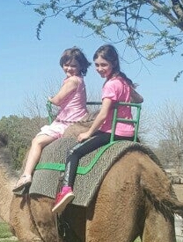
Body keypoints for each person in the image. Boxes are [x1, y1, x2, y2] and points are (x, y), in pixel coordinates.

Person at [52, 44, 143, 214]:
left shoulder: (110, 85)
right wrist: (129, 91)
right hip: (130, 133)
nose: (100, 69)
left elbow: (102, 115)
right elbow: (139, 100)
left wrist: (88, 133)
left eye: (104, 65)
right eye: (97, 65)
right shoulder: (123, 81)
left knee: (73, 152)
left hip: (113, 132)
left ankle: (65, 190)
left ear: (113, 63)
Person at [13, 47, 91, 192]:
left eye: (73, 65)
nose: (69, 68)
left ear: (81, 66)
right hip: (79, 118)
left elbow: (58, 100)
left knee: (37, 141)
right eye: (66, 64)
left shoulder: (72, 81)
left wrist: (51, 99)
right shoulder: (80, 80)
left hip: (67, 122)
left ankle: (26, 175)